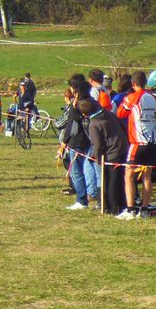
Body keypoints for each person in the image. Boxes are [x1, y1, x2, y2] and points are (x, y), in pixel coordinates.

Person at [116, 70, 156, 219]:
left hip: (137, 142)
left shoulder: (132, 98)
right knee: (147, 177)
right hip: (153, 142)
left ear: (133, 83)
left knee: (129, 176)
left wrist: (128, 98)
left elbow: (120, 114)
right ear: (146, 82)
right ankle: (144, 210)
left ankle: (131, 209)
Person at [81, 98, 127, 216]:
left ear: (85, 114)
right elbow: (124, 127)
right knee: (120, 179)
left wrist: (97, 158)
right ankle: (122, 205)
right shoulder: (110, 114)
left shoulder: (94, 124)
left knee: (110, 181)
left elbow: (97, 144)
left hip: (111, 153)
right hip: (122, 148)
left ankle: (112, 207)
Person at [61, 74, 99, 210]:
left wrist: (64, 141)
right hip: (91, 140)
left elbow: (71, 124)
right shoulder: (91, 102)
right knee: (92, 169)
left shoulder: (77, 104)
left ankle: (82, 200)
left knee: (76, 171)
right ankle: (96, 196)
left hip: (77, 141)